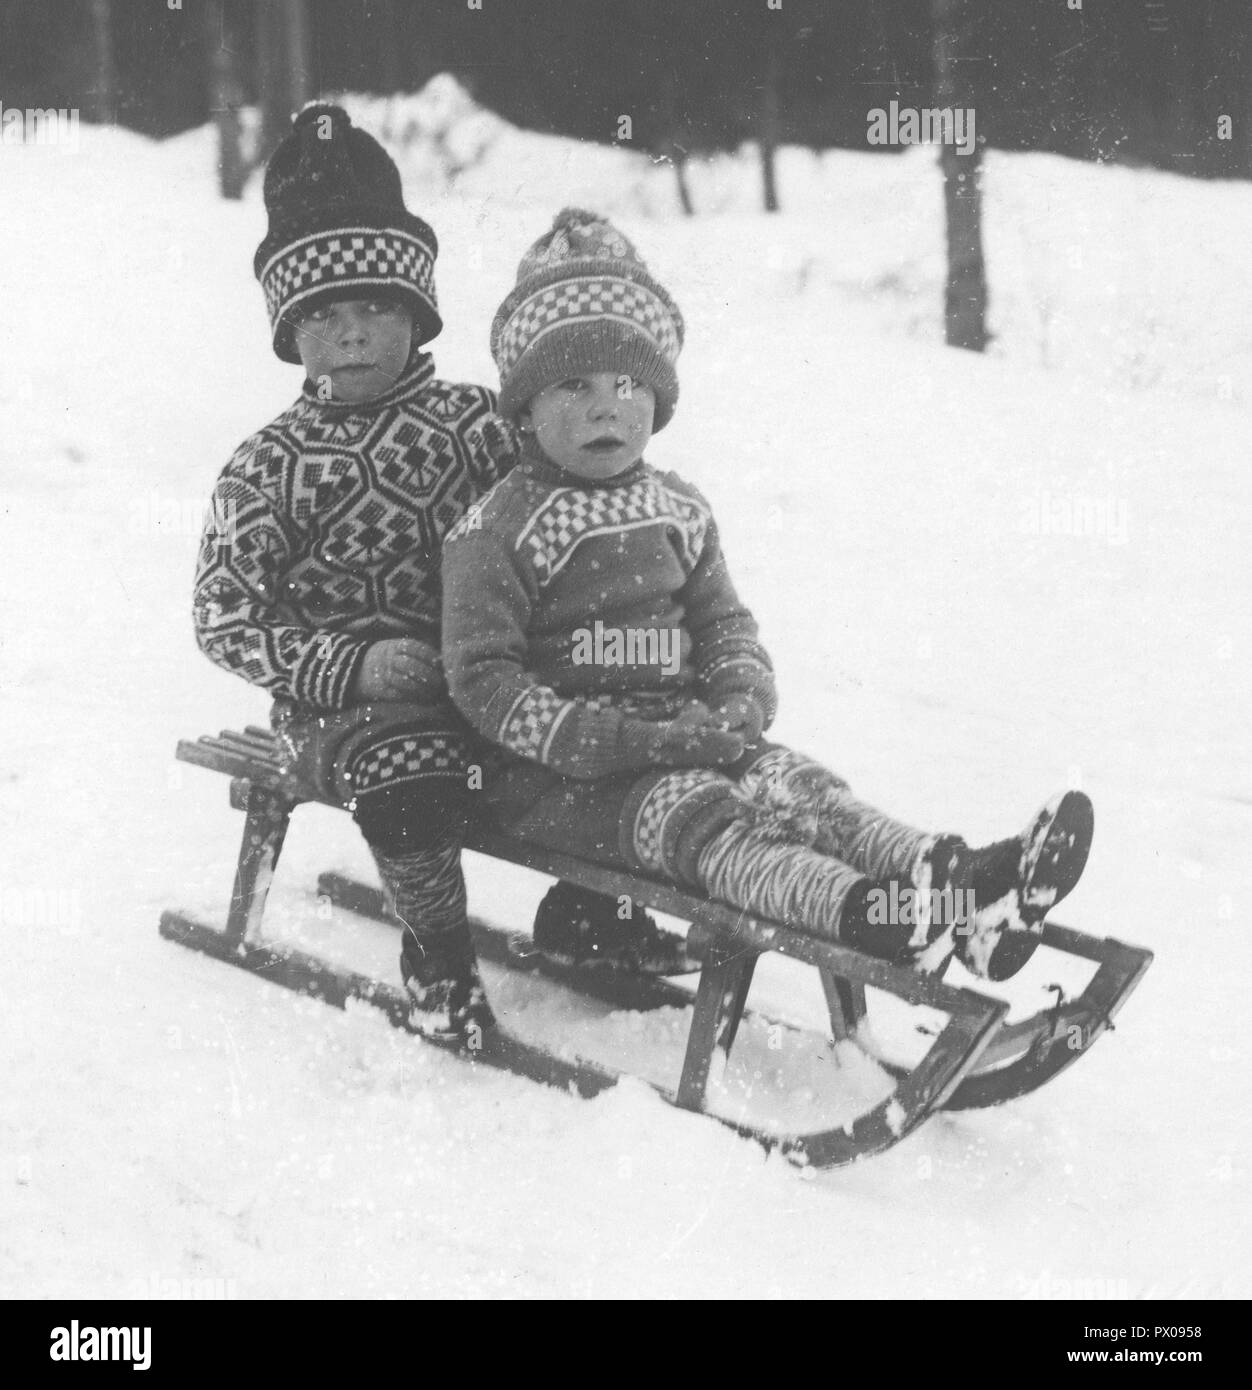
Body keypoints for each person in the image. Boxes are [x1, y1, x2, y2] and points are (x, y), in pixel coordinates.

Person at [440, 208, 1094, 992]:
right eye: (573, 384)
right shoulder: (497, 529)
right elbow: (483, 680)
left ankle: (961, 883)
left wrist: (741, 695)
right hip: (560, 778)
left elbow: (724, 625)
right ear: (524, 404)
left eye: (628, 385)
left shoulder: (679, 508)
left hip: (689, 736)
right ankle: (873, 916)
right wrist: (614, 740)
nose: (607, 408)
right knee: (714, 825)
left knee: (804, 789)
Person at [191, 109, 620, 1044]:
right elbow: (223, 614)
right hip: (345, 716)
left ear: (417, 311)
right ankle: (438, 959)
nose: (352, 334)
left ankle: (591, 912)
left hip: (486, 679)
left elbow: (551, 509)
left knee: (604, 726)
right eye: (325, 315)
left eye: (376, 307)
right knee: (410, 773)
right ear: (291, 330)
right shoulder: (268, 464)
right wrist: (350, 668)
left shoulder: (479, 423)